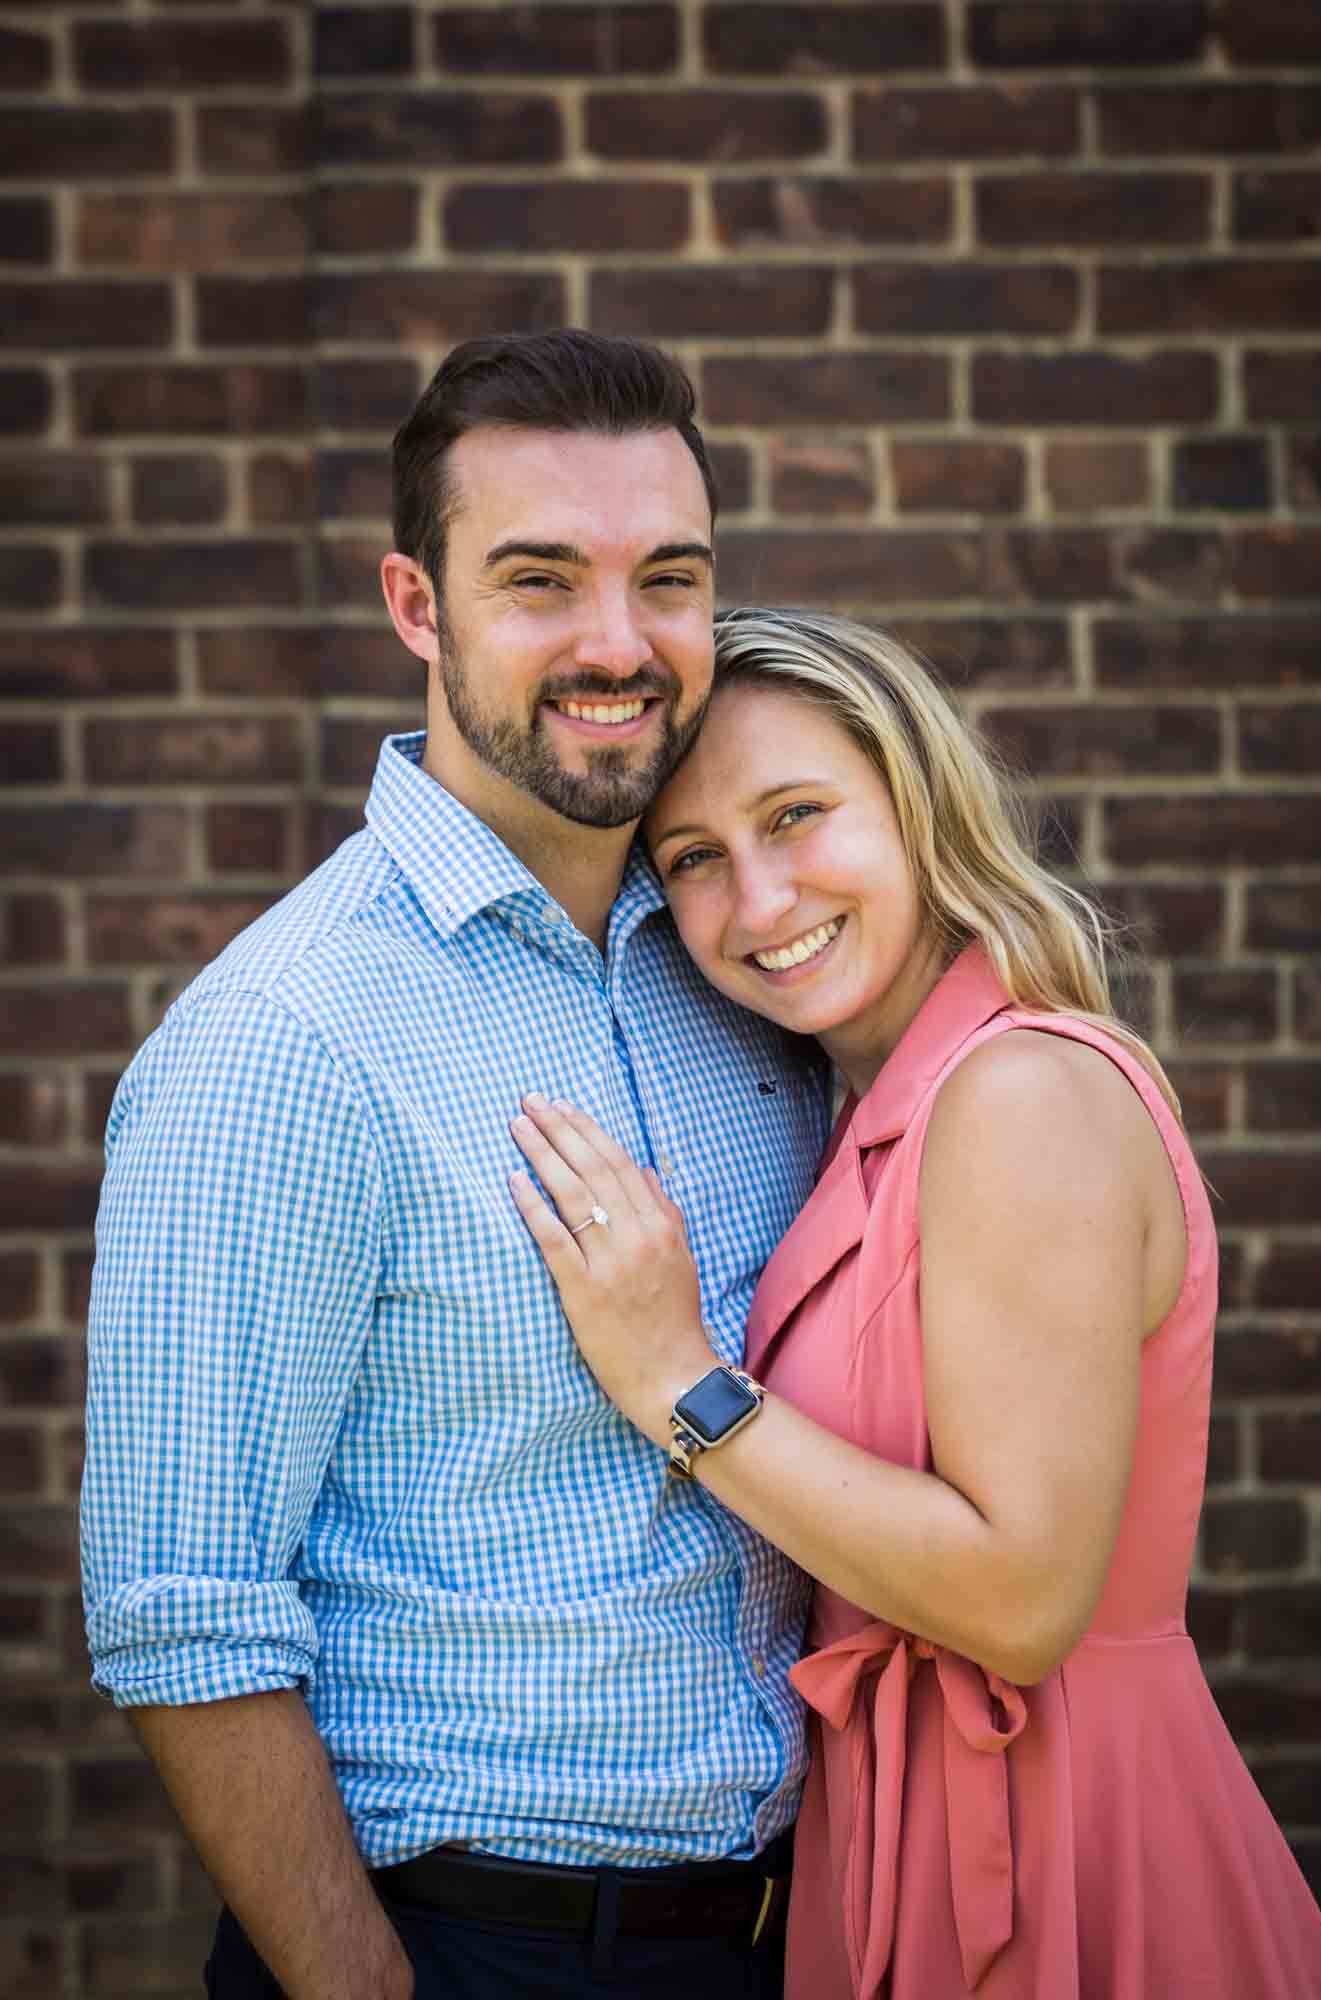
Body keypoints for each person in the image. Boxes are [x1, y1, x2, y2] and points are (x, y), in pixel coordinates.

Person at [79, 337, 828, 2000]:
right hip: (473, 1946)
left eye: (670, 579)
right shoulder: (282, 1042)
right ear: (417, 606)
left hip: (798, 1928)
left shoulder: (739, 967)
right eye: (540, 580)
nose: (617, 645)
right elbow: (181, 1612)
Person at [509, 605, 1321, 1999]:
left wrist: (674, 1380)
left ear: (917, 803)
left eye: (797, 816)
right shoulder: (879, 1115)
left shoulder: (1018, 1093)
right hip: (897, 1834)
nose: (757, 901)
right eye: (694, 859)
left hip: (1061, 1834)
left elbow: (1018, 1602)